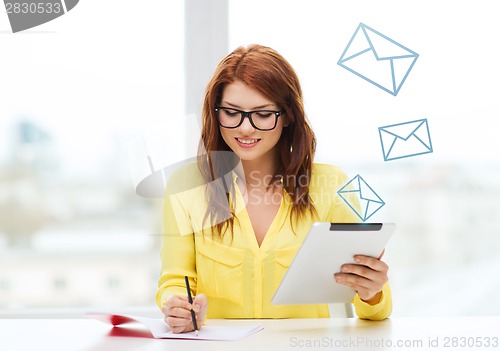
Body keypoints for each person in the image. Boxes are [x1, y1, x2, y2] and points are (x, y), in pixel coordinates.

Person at [156, 44, 392, 333]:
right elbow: (173, 282)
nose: (245, 128)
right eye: (231, 112)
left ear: (287, 116)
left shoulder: (331, 187)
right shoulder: (186, 186)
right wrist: (178, 306)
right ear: (215, 113)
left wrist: (373, 292)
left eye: (263, 115)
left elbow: (375, 313)